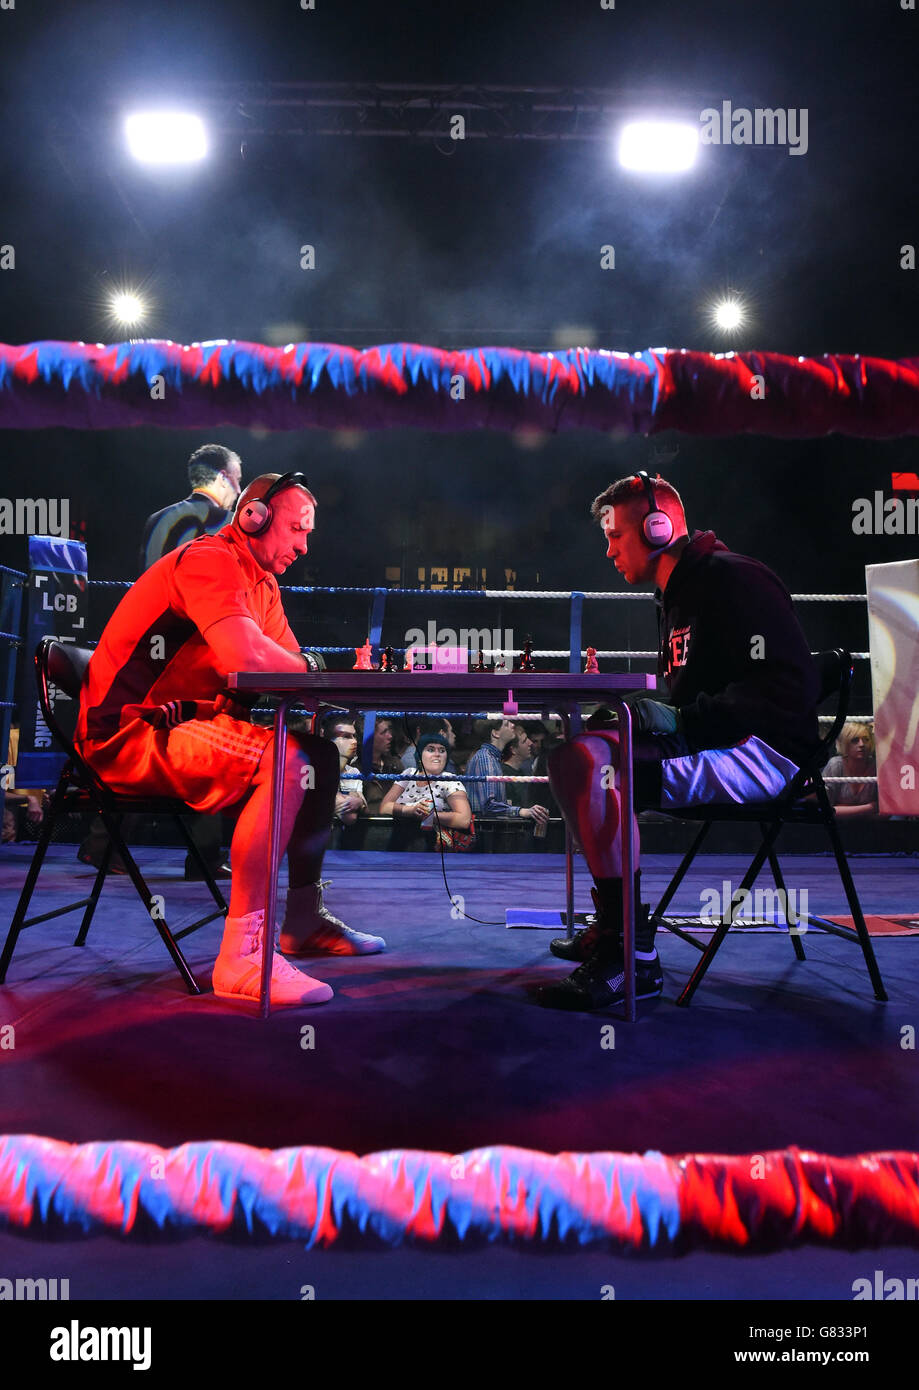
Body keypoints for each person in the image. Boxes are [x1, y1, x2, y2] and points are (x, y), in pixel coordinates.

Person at [75, 471, 384, 1009]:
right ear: (253, 517)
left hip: (181, 727)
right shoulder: (209, 561)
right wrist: (301, 664)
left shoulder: (262, 583)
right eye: (295, 530)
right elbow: (253, 660)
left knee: (319, 756)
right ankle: (242, 955)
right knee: (287, 760)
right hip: (131, 735)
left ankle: (304, 919)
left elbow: (293, 672)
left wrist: (305, 665)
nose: (304, 546)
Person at [538, 470, 819, 1011]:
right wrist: (668, 719)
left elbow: (791, 685)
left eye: (615, 537)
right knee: (573, 757)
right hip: (724, 740)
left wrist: (678, 721)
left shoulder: (733, 578)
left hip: (765, 755)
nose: (608, 552)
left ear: (658, 527)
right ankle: (618, 928)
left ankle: (633, 957)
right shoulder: (675, 593)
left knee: (589, 765)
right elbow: (699, 704)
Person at [79, 445, 246, 880]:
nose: (241, 489)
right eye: (239, 478)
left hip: (145, 648)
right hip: (179, 650)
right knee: (201, 725)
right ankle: (204, 856)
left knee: (147, 733)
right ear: (226, 478)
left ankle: (104, 847)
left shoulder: (160, 518)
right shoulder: (214, 529)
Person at [138, 444, 243, 574]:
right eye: (237, 480)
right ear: (222, 478)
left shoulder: (156, 519)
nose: (238, 490)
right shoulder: (232, 523)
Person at [379, 732, 472, 848]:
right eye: (431, 750)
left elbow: (464, 820)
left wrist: (430, 815)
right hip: (399, 843)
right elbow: (384, 807)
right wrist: (412, 810)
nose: (437, 754)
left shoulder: (449, 780)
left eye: (442, 750)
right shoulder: (409, 773)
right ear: (419, 754)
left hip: (431, 847)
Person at [464, 718, 550, 827]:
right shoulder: (485, 759)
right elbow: (488, 805)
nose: (512, 725)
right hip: (485, 833)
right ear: (495, 733)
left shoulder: (492, 758)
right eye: (506, 724)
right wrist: (521, 811)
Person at [320, 713, 368, 825]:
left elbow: (362, 807)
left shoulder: (353, 772)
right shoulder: (311, 769)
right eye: (346, 736)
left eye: (354, 736)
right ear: (329, 740)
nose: (354, 741)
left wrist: (359, 801)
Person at [823, 722, 879, 817]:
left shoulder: (877, 766)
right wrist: (871, 807)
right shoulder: (836, 765)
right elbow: (827, 810)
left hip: (872, 827)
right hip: (838, 826)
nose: (862, 744)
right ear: (845, 743)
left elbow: (885, 812)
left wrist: (843, 808)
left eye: (866, 739)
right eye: (855, 740)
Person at [501, 731, 534, 809]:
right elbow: (508, 810)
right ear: (513, 750)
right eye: (524, 741)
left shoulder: (522, 772)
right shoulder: (504, 775)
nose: (530, 743)